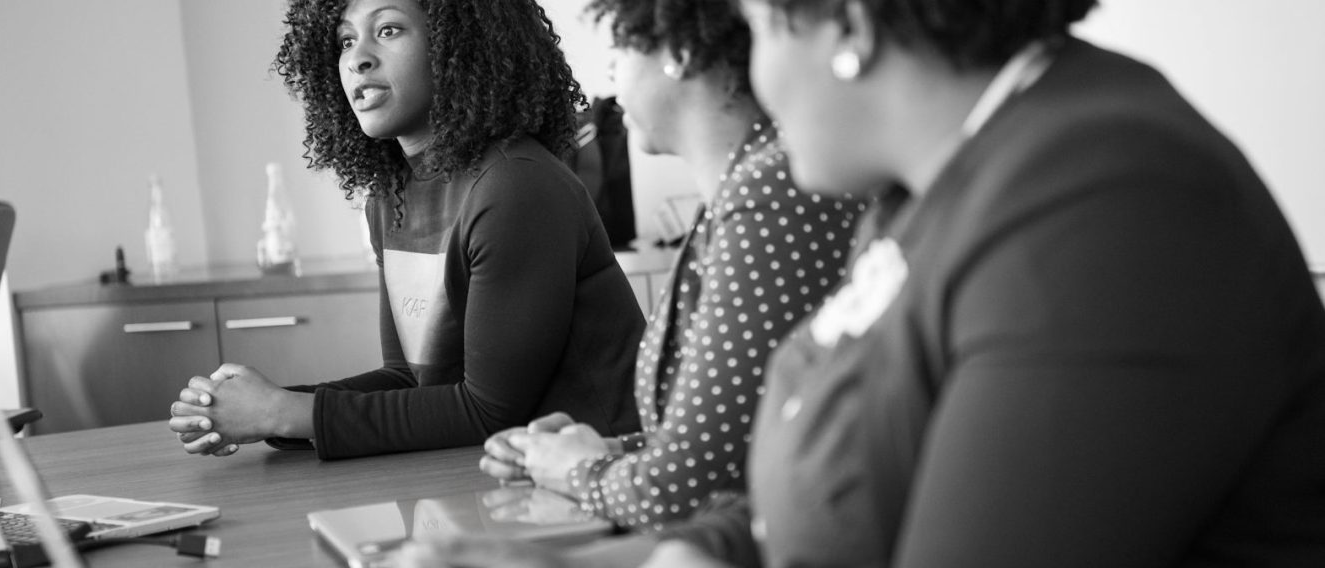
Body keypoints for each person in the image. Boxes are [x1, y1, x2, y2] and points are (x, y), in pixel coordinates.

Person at [415, 0, 1325, 566]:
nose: (756, 79)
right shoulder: (915, 196)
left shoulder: (1112, 202)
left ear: (846, 23)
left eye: (763, 28)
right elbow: (815, 504)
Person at [165, 0, 645, 461]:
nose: (358, 58)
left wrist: (286, 413)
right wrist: (264, 411)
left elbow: (489, 411)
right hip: (493, 471)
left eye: (388, 30)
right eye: (345, 39)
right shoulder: (390, 196)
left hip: (600, 480)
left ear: (459, 42)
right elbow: (409, 380)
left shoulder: (516, 184)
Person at [478, 0, 864, 532]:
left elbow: (688, 490)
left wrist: (578, 469)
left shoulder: (767, 194)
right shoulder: (739, 192)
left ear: (680, 53)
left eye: (620, 47)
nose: (611, 73)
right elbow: (736, 433)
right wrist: (607, 447)